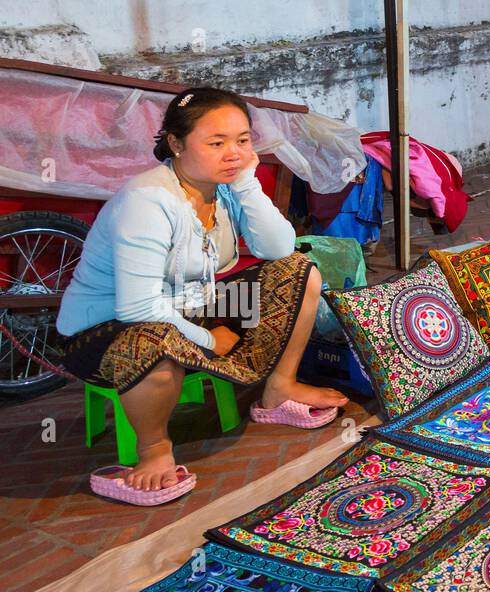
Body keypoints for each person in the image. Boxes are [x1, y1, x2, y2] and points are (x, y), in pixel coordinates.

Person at [57, 87, 348, 498]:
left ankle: (278, 389)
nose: (233, 153)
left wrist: (248, 184)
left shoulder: (225, 186)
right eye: (216, 143)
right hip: (108, 330)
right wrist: (210, 339)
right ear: (175, 143)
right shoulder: (149, 200)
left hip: (189, 309)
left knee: (297, 270)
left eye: (243, 141)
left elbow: (278, 249)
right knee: (151, 342)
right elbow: (139, 307)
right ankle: (153, 448)